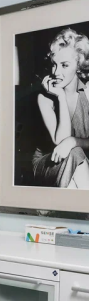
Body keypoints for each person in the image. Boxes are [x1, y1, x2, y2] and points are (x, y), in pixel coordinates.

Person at [33, 27, 89, 189]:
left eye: (64, 65)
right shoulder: (44, 98)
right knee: (75, 153)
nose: (56, 72)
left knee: (76, 153)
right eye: (54, 65)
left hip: (82, 160)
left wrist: (73, 141)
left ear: (78, 64)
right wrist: (61, 97)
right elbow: (60, 141)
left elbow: (69, 143)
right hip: (48, 162)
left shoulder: (88, 93)